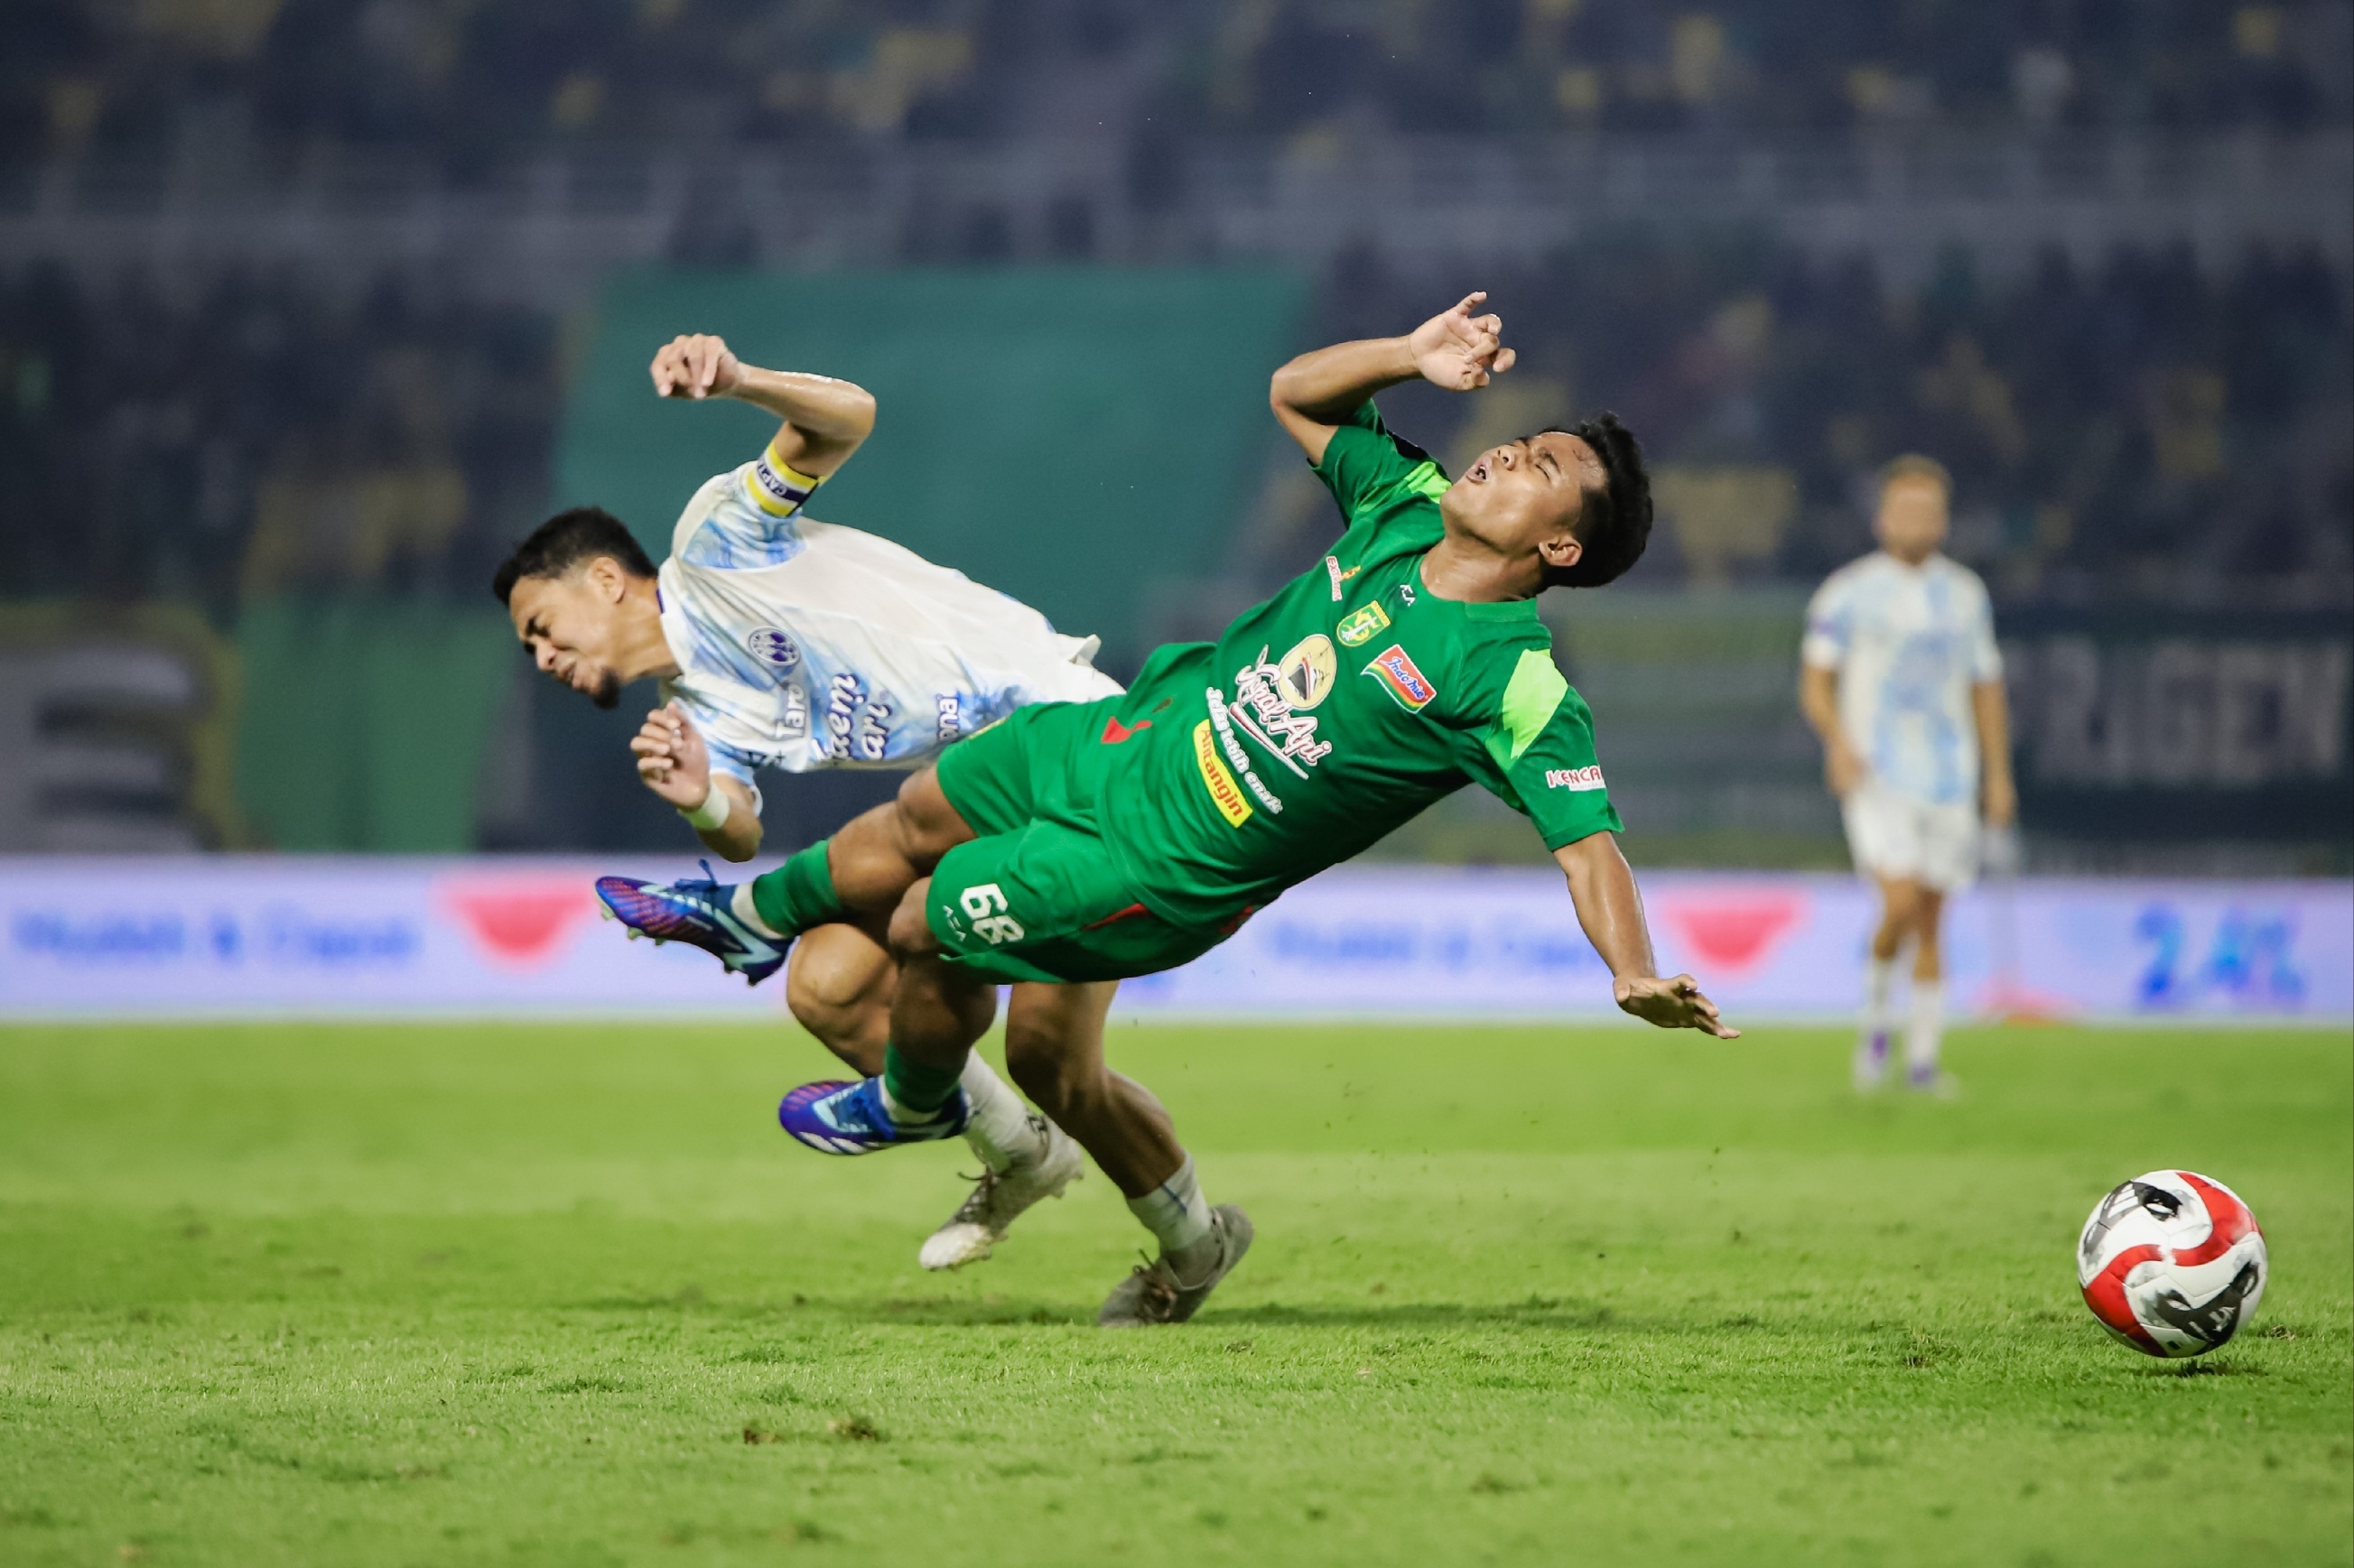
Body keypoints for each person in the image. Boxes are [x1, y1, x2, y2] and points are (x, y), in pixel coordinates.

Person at [604, 293, 1740, 1326]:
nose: (1505, 450)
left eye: (1540, 464)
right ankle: (752, 920)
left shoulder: (1514, 678)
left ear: (1558, 545)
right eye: (1522, 438)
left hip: (1167, 864)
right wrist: (1409, 354)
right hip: (1130, 739)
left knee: (928, 928)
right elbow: (1296, 394)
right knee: (927, 806)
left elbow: (1589, 846)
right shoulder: (1407, 507)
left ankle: (913, 1103)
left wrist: (1630, 971)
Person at [494, 332, 1122, 1269]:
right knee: (825, 990)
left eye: (541, 629)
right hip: (967, 800)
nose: (541, 659)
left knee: (1057, 1064)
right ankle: (1022, 1158)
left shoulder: (714, 544)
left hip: (1059, 730)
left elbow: (850, 418)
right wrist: (703, 798)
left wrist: (738, 379)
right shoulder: (697, 712)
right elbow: (742, 831)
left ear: (603, 579)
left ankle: (1184, 1237)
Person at [1799, 455, 2016, 1094]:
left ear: (1943, 521)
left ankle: (1921, 1061)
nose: (1915, 521)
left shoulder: (1965, 595)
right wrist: (1837, 743)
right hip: (1877, 771)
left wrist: (1996, 776)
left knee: (1931, 916)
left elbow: (1986, 687)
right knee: (1897, 901)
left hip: (1949, 775)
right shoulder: (1847, 592)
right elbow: (1815, 682)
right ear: (1881, 517)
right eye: (1904, 509)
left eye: (1927, 510)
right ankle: (1873, 1027)